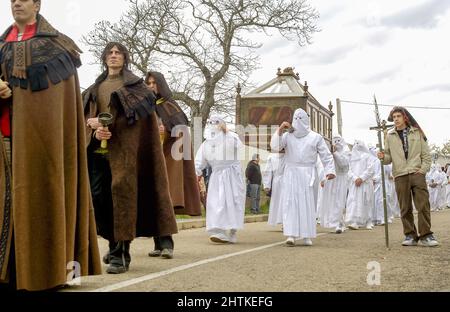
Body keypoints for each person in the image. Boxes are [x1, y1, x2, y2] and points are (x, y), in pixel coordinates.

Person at [0, 0, 101, 291]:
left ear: (37, 4)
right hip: (5, 141)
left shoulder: (58, 49)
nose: (16, 3)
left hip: (43, 147)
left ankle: (50, 271)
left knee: (43, 197)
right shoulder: (1, 45)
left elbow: (60, 110)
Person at [83, 42, 178, 273]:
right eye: (110, 53)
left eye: (118, 53)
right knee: (99, 198)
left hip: (125, 153)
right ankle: (114, 243)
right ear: (104, 58)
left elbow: (138, 124)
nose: (114, 56)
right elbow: (83, 117)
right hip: (98, 152)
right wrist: (92, 125)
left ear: (125, 58)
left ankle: (120, 254)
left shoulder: (138, 89)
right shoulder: (94, 89)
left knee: (122, 199)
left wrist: (111, 125)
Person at [145, 71, 201, 259]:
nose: (151, 86)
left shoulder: (171, 106)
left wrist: (167, 130)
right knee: (151, 202)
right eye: (149, 83)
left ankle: (167, 243)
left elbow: (182, 131)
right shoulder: (144, 107)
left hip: (168, 160)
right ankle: (157, 244)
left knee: (164, 201)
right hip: (148, 158)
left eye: (154, 83)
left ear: (161, 84)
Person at [271, 108, 335, 246]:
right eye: (296, 118)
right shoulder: (288, 136)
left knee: (308, 204)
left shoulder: (315, 137)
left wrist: (329, 170)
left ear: (306, 120)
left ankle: (307, 235)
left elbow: (326, 155)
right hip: (291, 173)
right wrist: (281, 129)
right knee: (290, 203)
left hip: (308, 174)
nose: (298, 122)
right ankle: (291, 234)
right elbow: (275, 146)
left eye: (301, 119)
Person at [378, 106, 438, 247]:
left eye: (398, 116)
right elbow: (388, 158)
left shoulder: (417, 133)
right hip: (400, 175)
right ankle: (410, 235)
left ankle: (426, 235)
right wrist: (382, 156)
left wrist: (423, 170)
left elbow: (426, 155)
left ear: (405, 117)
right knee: (405, 207)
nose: (396, 119)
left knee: (423, 205)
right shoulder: (389, 136)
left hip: (417, 173)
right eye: (394, 117)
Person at [195, 117, 245, 244]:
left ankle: (233, 230)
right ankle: (219, 231)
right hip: (217, 177)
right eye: (211, 123)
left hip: (232, 175)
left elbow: (239, 147)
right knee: (217, 203)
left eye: (217, 123)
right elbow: (199, 161)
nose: (214, 126)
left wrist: (227, 132)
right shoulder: (206, 144)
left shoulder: (231, 136)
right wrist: (197, 172)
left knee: (233, 202)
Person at [318, 135, 350, 234]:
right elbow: (325, 165)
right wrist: (324, 178)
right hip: (331, 179)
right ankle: (331, 222)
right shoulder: (329, 153)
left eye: (338, 140)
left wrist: (335, 153)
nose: (336, 143)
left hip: (341, 178)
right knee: (331, 201)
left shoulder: (346, 152)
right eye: (334, 141)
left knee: (339, 201)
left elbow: (344, 164)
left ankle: (339, 223)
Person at [345, 140, 375, 230]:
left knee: (366, 201)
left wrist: (361, 178)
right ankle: (354, 221)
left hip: (365, 183)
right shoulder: (351, 158)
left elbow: (370, 169)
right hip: (355, 184)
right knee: (353, 202)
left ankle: (368, 221)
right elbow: (348, 170)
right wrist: (355, 178)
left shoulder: (368, 157)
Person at [263, 150, 286, 227]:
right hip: (277, 183)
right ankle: (280, 220)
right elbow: (268, 171)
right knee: (277, 201)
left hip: (287, 181)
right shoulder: (271, 157)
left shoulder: (289, 155)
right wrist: (267, 185)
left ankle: (285, 222)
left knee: (286, 201)